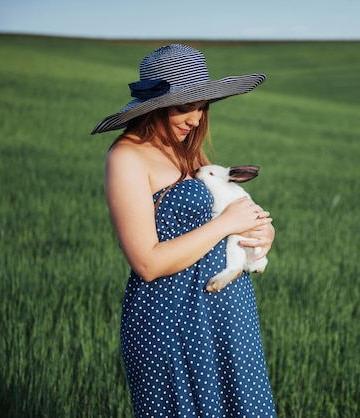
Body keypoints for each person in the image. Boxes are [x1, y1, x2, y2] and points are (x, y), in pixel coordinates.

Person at [91, 44, 277, 417]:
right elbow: (147, 262)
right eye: (183, 106)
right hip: (170, 316)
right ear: (154, 107)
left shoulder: (189, 152)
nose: (195, 119)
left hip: (228, 312)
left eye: (201, 106)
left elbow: (229, 210)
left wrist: (261, 233)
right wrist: (227, 224)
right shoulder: (126, 157)